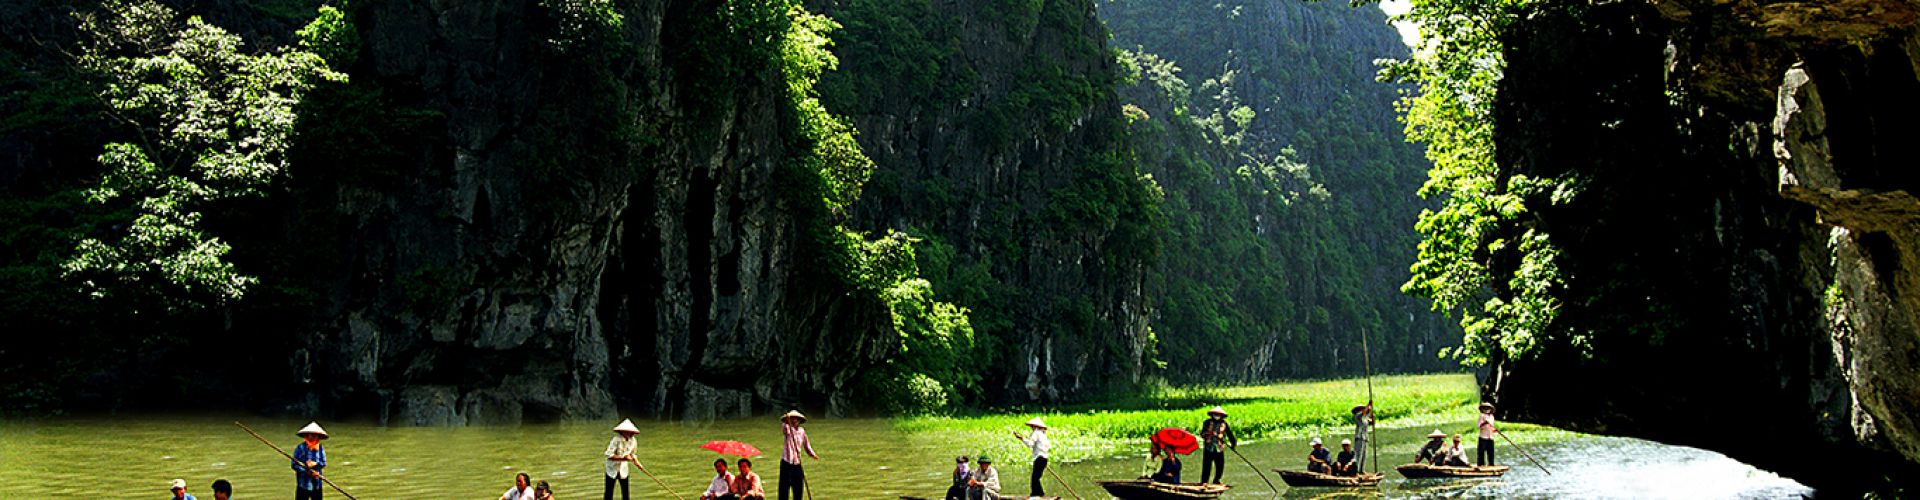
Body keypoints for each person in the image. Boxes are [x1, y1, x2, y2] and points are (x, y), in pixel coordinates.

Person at [779, 410, 819, 500]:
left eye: (796, 419)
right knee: (784, 488)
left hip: (797, 462)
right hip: (786, 462)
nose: (794, 421)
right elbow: (784, 428)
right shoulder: (788, 429)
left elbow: (806, 444)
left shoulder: (801, 431)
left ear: (799, 421)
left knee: (798, 487)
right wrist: (787, 420)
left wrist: (812, 454)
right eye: (792, 419)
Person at [1198, 406, 1236, 485]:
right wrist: (1208, 434)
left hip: (1219, 447)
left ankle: (1217, 480)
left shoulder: (1224, 424)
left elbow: (1229, 434)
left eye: (1218, 414)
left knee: (1220, 466)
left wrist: (1233, 444)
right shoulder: (1207, 422)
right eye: (1215, 414)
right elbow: (1202, 434)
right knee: (1206, 466)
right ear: (1212, 414)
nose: (1216, 415)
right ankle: (1204, 481)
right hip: (1209, 447)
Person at [1013, 417, 1050, 496]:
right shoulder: (1043, 435)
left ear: (1035, 426)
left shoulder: (1036, 433)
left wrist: (1021, 438)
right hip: (1044, 458)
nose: (1031, 428)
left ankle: (1037, 493)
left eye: (1032, 426)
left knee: (1035, 478)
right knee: (1037, 477)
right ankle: (1038, 493)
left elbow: (1030, 444)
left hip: (1039, 458)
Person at [605, 419, 641, 500]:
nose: (627, 433)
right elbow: (608, 454)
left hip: (623, 469)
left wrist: (638, 463)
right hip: (612, 468)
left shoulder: (633, 441)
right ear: (621, 431)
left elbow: (632, 454)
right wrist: (623, 458)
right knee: (609, 493)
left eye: (629, 432)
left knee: (626, 493)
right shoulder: (616, 440)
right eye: (625, 431)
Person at [291, 422, 328, 500]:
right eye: (311, 434)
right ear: (307, 435)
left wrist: (315, 464)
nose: (314, 436)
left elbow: (323, 463)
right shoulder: (300, 448)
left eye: (316, 435)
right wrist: (306, 471)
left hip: (317, 484)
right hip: (303, 484)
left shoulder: (320, 448)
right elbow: (294, 465)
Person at [1350, 402, 1373, 474]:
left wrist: (1372, 416)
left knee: (1364, 455)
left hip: (1365, 438)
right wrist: (1369, 405)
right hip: (1359, 437)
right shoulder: (1357, 416)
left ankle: (1361, 470)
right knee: (1358, 455)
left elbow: (1371, 421)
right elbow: (1363, 412)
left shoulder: (1365, 418)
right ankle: (1356, 470)